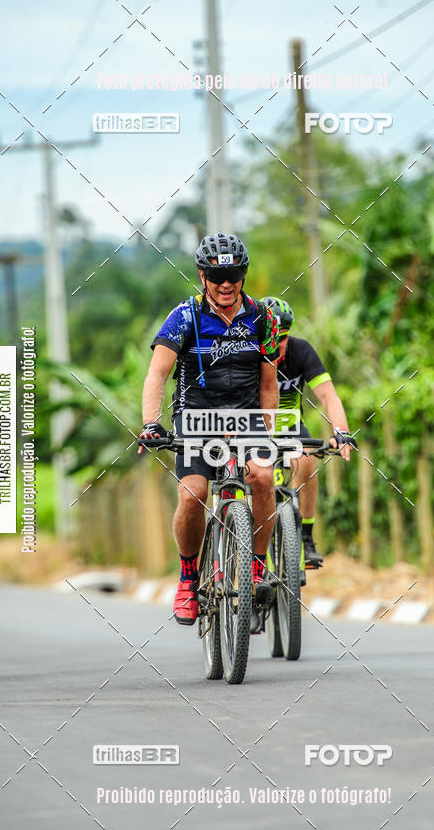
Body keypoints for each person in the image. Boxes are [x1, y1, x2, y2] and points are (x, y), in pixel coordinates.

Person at [139, 233, 279, 626]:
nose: (225, 284)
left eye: (233, 274)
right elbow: (158, 374)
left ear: (243, 275)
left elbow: (268, 384)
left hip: (246, 418)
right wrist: (152, 422)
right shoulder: (183, 317)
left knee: (264, 478)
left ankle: (255, 569)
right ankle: (187, 578)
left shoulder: (262, 318)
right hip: (196, 417)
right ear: (202, 276)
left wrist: (268, 430)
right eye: (217, 276)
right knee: (193, 495)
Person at [261, 297, 356, 568]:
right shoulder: (250, 355)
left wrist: (341, 431)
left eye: (284, 337)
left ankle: (306, 536)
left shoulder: (301, 351)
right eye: (271, 338)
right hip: (254, 427)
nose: (278, 346)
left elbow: (327, 395)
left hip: (289, 426)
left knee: (308, 459)